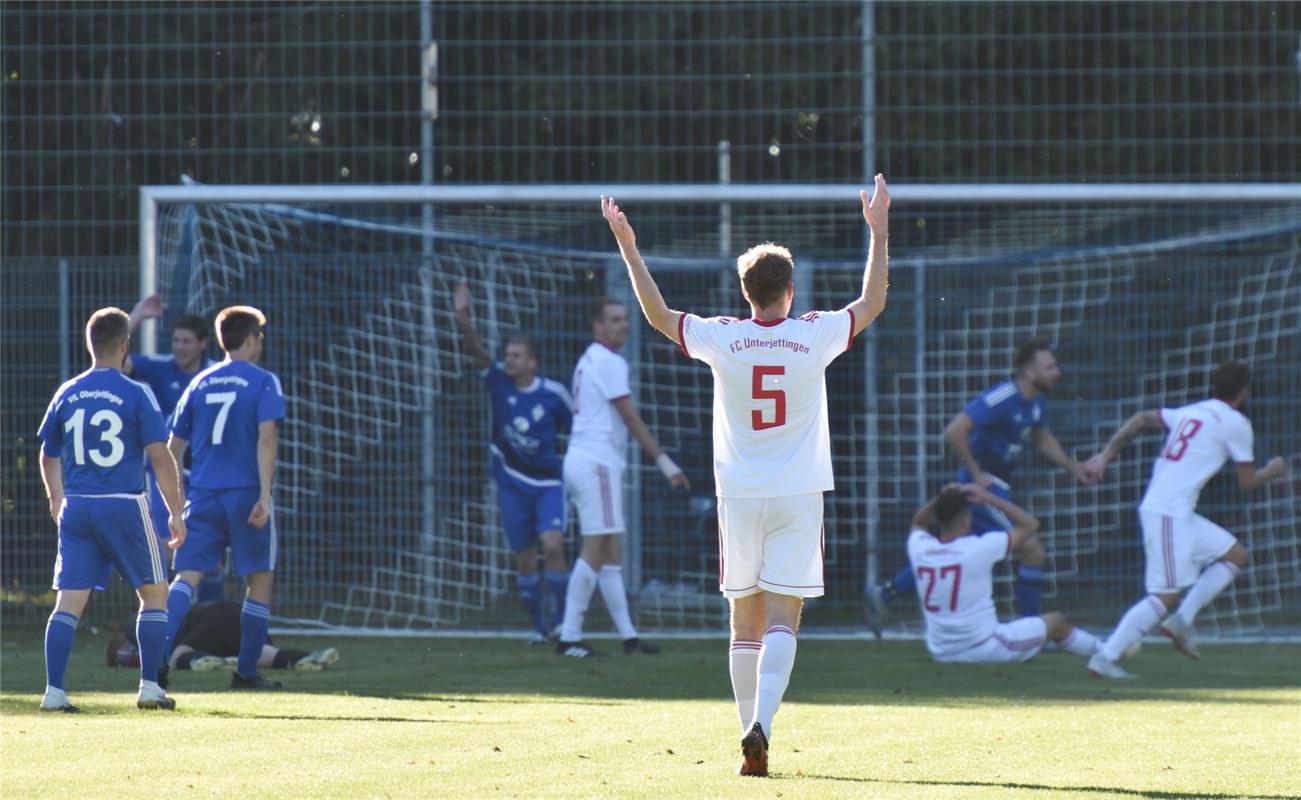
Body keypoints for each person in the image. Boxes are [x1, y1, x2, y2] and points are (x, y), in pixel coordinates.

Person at [600, 175, 890, 777]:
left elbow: (657, 316)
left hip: (739, 496)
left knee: (744, 620)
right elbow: (873, 302)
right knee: (785, 616)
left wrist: (629, 245)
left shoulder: (724, 338)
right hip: (799, 494)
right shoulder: (812, 333)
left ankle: (745, 733)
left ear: (744, 292)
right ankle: (764, 725)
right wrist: (879, 230)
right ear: (789, 288)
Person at [870, 338, 1096, 628]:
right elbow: (955, 430)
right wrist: (976, 474)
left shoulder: (1036, 401)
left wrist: (1072, 467)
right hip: (983, 490)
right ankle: (1031, 632)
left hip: (992, 488)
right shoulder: (1004, 396)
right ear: (1029, 372)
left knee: (949, 550)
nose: (1057, 371)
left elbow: (1041, 436)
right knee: (1032, 550)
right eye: (1050, 366)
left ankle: (885, 594)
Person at [1081, 361, 1287, 679]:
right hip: (1168, 511)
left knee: (1235, 555)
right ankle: (1105, 657)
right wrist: (1272, 471)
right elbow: (1248, 483)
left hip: (1177, 511)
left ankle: (1182, 621)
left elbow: (1142, 419)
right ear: (1244, 392)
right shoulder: (1236, 423)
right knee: (1164, 596)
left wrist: (1105, 455)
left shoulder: (1193, 411)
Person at [36, 307, 187, 712]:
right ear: (125, 345)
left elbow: (47, 454)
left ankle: (53, 692)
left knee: (68, 603)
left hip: (78, 506)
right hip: (124, 504)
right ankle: (150, 686)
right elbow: (160, 457)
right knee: (155, 594)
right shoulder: (136, 392)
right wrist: (175, 511)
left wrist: (56, 497)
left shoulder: (66, 391)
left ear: (90, 345)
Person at [554, 295, 690, 658]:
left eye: (624, 319)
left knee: (611, 551)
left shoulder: (593, 359)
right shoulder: (609, 361)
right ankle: (568, 636)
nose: (623, 325)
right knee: (596, 549)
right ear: (598, 325)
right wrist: (665, 463)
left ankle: (629, 637)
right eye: (614, 319)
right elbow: (630, 418)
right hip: (596, 463)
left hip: (590, 461)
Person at [163, 305, 286, 690]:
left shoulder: (199, 383)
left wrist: (176, 504)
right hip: (246, 495)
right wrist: (264, 495)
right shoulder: (263, 381)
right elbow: (267, 438)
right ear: (250, 339)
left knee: (185, 579)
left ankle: (155, 663)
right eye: (259, 338)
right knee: (258, 580)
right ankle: (246, 673)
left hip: (202, 497)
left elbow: (172, 448)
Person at [453, 280, 575, 644]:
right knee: (524, 558)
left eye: (517, 355)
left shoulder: (553, 395)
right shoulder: (499, 383)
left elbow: (579, 433)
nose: (509, 359)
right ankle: (540, 629)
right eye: (508, 354)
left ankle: (563, 623)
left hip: (548, 484)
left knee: (553, 546)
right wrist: (462, 316)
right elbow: (477, 351)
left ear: (533, 362)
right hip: (511, 483)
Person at [908, 484, 1102, 665]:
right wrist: (990, 498)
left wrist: (940, 497)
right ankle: (1108, 653)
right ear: (967, 520)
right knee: (1057, 622)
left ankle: (1107, 653)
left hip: (941, 651)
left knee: (1039, 625)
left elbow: (918, 523)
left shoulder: (921, 548)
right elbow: (1030, 524)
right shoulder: (978, 547)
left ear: (938, 518)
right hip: (984, 647)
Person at [126, 294, 222, 601]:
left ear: (203, 343)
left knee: (209, 553)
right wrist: (137, 316)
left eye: (187, 342)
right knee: (170, 544)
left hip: (209, 472)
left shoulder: (217, 374)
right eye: (176, 340)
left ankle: (209, 619)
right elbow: (116, 357)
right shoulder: (159, 368)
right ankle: (168, 618)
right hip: (168, 470)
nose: (179, 347)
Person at [108, 601, 338, 673]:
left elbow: (136, 636)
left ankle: (199, 660)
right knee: (260, 654)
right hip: (236, 613)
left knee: (177, 657)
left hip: (210, 620)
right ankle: (303, 658)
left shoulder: (143, 625)